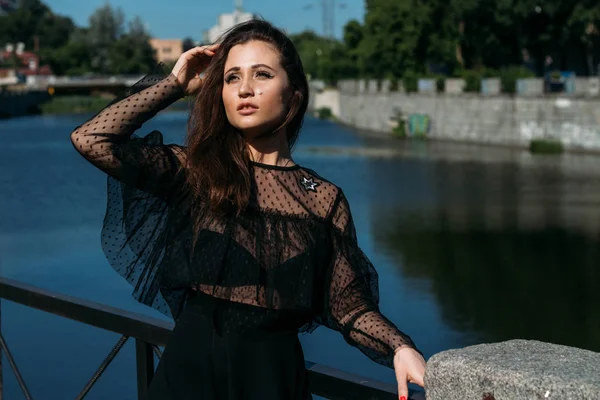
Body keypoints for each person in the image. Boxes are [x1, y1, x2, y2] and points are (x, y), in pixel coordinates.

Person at [70, 19, 425, 400]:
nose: (245, 89)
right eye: (231, 78)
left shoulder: (322, 198)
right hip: (187, 380)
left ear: (295, 94)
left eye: (262, 75)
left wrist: (399, 348)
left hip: (271, 384)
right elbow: (91, 139)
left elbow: (349, 306)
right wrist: (174, 85)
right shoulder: (197, 173)